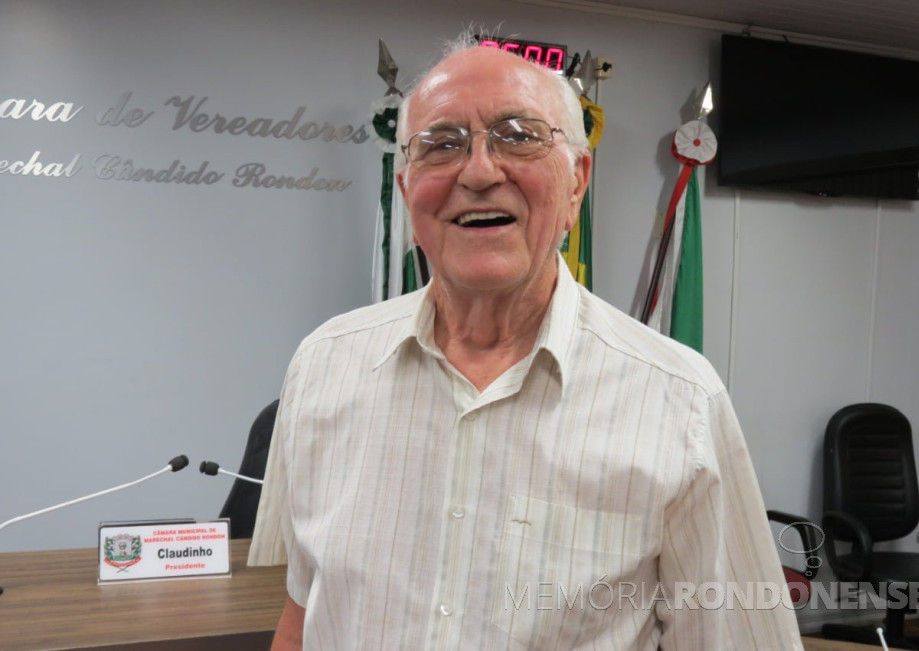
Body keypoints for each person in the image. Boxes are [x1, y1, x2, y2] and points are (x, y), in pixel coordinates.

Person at [249, 36, 804, 651]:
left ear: (576, 183)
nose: (479, 172)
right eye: (441, 144)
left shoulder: (680, 402)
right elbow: (303, 615)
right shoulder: (323, 365)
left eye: (518, 136)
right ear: (407, 193)